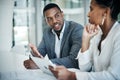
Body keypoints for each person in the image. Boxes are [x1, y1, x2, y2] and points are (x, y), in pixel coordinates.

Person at [49, 0, 120, 80]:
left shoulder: (118, 35)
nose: (88, 14)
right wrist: (85, 39)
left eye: (91, 9)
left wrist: (72, 76)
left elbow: (114, 76)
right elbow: (84, 68)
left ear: (106, 12)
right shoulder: (98, 35)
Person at [24, 3, 83, 69]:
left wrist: (45, 64)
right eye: (49, 19)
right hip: (54, 74)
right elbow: (40, 52)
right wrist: (35, 56)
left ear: (62, 14)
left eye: (57, 16)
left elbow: (74, 61)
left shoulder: (76, 29)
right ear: (46, 21)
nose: (54, 21)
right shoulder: (47, 32)